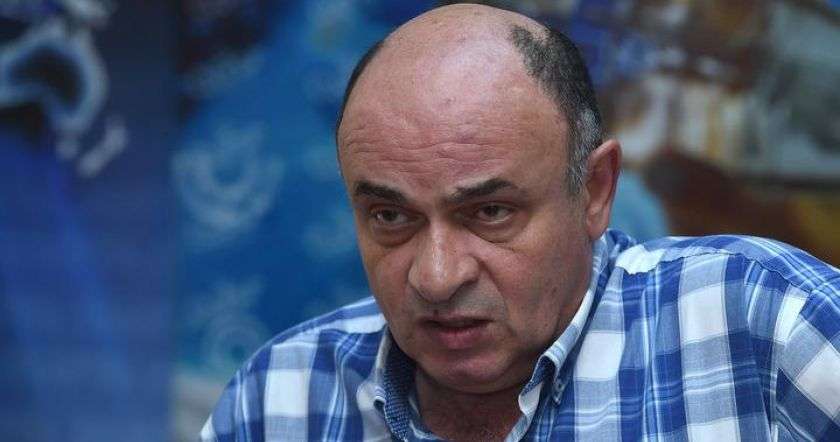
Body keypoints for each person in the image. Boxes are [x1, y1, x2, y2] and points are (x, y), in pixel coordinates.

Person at [200, 4, 840, 441]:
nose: (437, 276)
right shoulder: (278, 401)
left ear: (594, 190)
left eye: (489, 213)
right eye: (391, 216)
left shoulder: (761, 327)